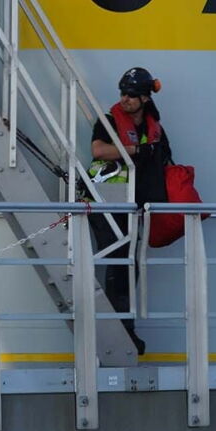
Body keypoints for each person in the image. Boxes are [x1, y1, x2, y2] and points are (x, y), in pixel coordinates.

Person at [89, 67, 173, 355]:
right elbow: (99, 151)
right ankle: (119, 327)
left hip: (136, 206)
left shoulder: (155, 129)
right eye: (123, 93)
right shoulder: (110, 120)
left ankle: (125, 326)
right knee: (117, 262)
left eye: (132, 95)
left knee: (130, 265)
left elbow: (166, 162)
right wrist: (137, 151)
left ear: (145, 98)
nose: (125, 99)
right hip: (107, 203)